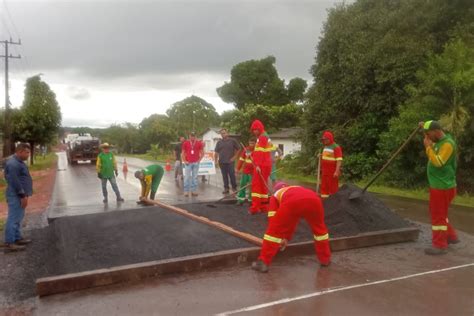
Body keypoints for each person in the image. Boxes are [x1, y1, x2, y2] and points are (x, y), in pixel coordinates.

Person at [251, 181, 331, 272]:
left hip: (293, 202)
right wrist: (286, 238)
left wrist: (279, 237)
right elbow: (292, 220)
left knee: (273, 232)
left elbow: (273, 219)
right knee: (320, 232)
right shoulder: (296, 188)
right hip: (315, 200)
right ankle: (325, 259)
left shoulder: (276, 195)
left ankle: (263, 262)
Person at [420, 120, 459, 255]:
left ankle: (439, 245)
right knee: (439, 213)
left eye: (428, 134)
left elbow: (439, 162)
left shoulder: (448, 144)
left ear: (437, 132)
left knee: (438, 216)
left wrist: (428, 148)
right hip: (439, 185)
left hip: (442, 187)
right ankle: (451, 236)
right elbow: (429, 135)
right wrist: (424, 127)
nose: (427, 138)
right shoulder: (438, 141)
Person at [2, 143, 33, 253]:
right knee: (14, 218)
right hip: (16, 194)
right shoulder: (13, 164)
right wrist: (22, 195)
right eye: (27, 152)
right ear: (20, 152)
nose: (29, 154)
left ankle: (17, 238)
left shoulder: (18, 162)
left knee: (18, 217)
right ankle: (10, 243)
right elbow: (14, 181)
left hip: (19, 194)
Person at [249, 120, 273, 214]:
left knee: (256, 185)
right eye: (253, 130)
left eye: (256, 129)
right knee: (263, 185)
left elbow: (260, 153)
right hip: (266, 165)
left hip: (261, 165)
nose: (254, 131)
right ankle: (264, 206)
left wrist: (257, 165)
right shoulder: (266, 136)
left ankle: (255, 208)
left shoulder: (262, 138)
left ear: (260, 128)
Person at [215, 128, 240, 194]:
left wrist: (234, 157)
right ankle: (226, 188)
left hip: (230, 162)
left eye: (224, 133)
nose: (223, 134)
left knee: (232, 175)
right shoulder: (219, 142)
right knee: (224, 176)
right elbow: (216, 152)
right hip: (222, 162)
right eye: (221, 133)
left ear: (227, 133)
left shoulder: (232, 141)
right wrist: (216, 161)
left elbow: (238, 149)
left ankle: (234, 188)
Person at [320, 130, 343, 198]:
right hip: (325, 171)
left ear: (329, 139)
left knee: (333, 188)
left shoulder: (336, 147)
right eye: (323, 140)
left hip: (332, 172)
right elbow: (327, 156)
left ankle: (334, 203)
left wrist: (336, 171)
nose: (324, 141)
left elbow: (339, 160)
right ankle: (324, 201)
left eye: (325, 139)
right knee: (324, 187)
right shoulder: (325, 147)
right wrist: (321, 155)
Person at [181, 132, 204, 197]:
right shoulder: (185, 143)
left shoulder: (199, 143)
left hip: (195, 163)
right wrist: (184, 161)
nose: (192, 137)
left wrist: (199, 161)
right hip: (188, 163)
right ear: (189, 136)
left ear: (195, 136)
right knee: (187, 177)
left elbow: (202, 153)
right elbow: (182, 153)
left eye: (193, 136)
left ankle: (193, 191)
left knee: (195, 178)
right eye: (191, 136)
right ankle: (186, 191)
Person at [235, 138, 256, 205]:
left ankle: (251, 200)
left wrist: (252, 156)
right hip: (245, 171)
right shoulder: (246, 150)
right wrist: (238, 168)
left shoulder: (257, 151)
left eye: (252, 143)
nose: (251, 145)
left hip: (253, 172)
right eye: (250, 143)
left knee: (252, 186)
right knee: (242, 185)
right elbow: (241, 159)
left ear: (255, 143)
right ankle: (241, 200)